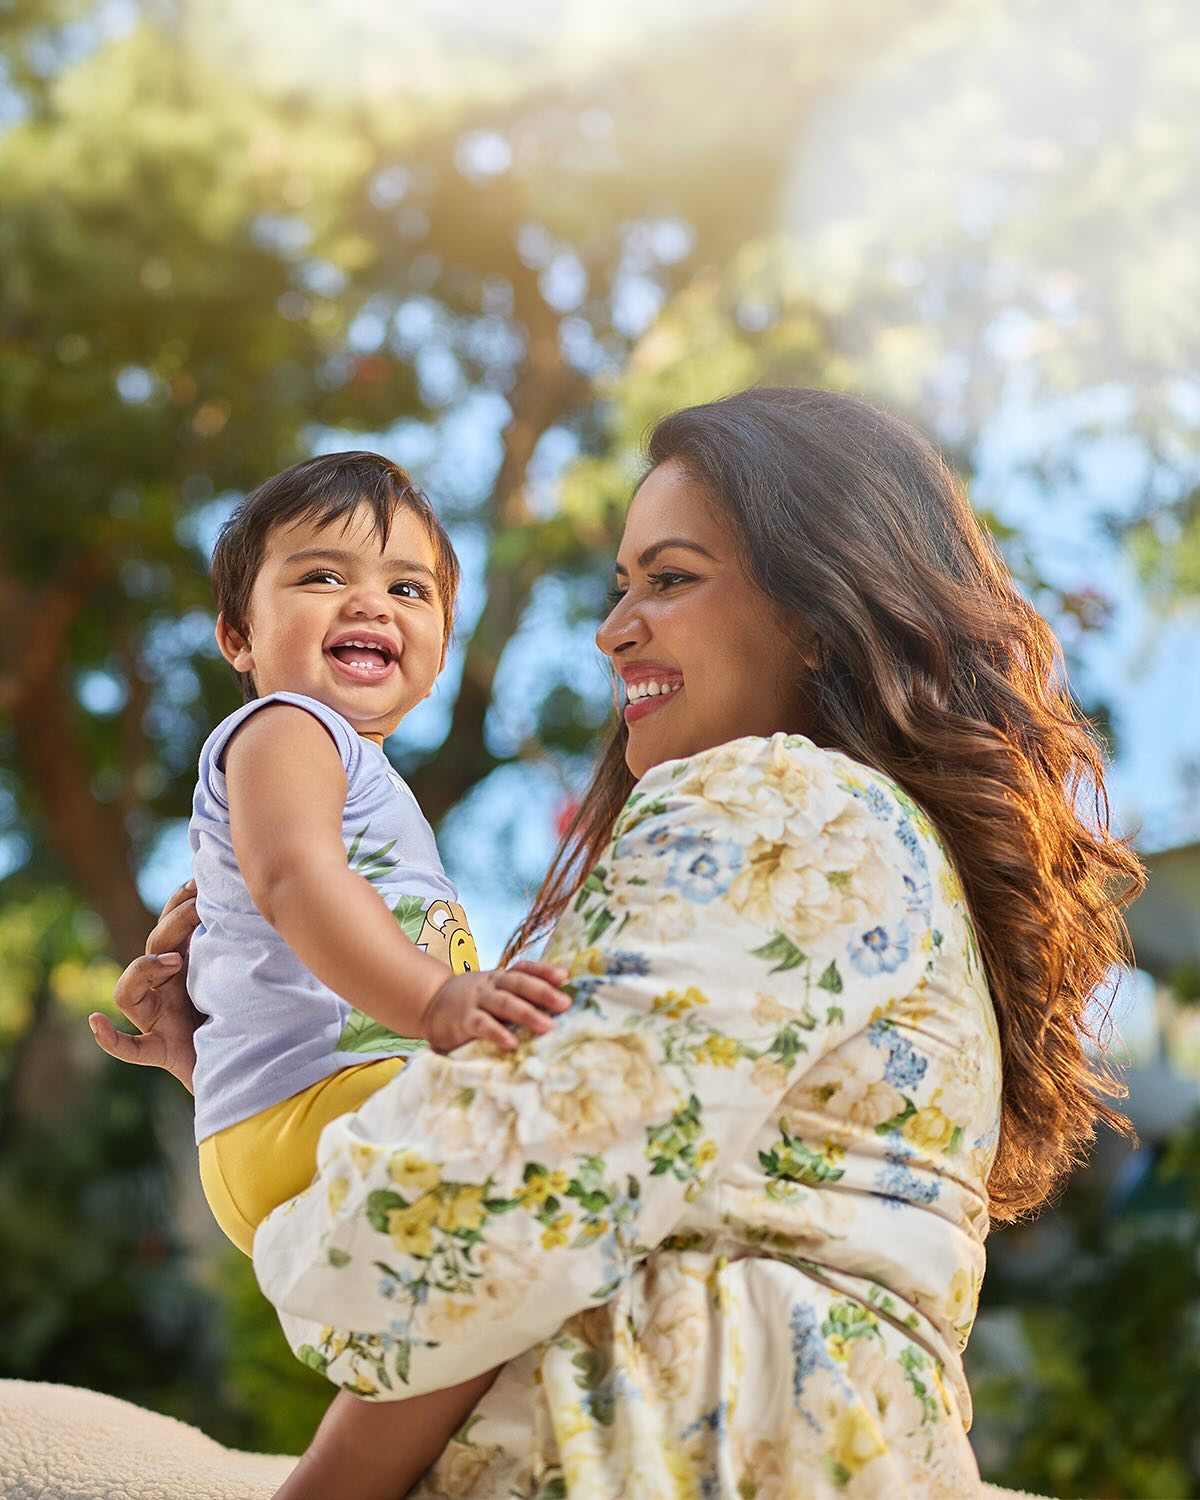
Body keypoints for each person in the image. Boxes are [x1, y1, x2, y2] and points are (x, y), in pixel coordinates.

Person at [101, 387, 1143, 1499]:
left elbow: (458, 1229)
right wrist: (243, 1059)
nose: (612, 628)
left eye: (672, 578)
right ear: (238, 635)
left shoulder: (781, 803)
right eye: (621, 586)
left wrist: (359, 1162)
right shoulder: (861, 842)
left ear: (820, 605)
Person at [92, 449, 572, 1498]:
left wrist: (198, 1058)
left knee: (485, 1310)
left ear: (441, 646)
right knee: (552, 1140)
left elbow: (288, 981)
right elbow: (295, 878)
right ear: (239, 637)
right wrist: (441, 999)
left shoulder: (364, 776)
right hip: (327, 1116)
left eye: (409, 588)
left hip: (286, 1122)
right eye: (321, 576)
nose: (371, 602)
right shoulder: (288, 728)